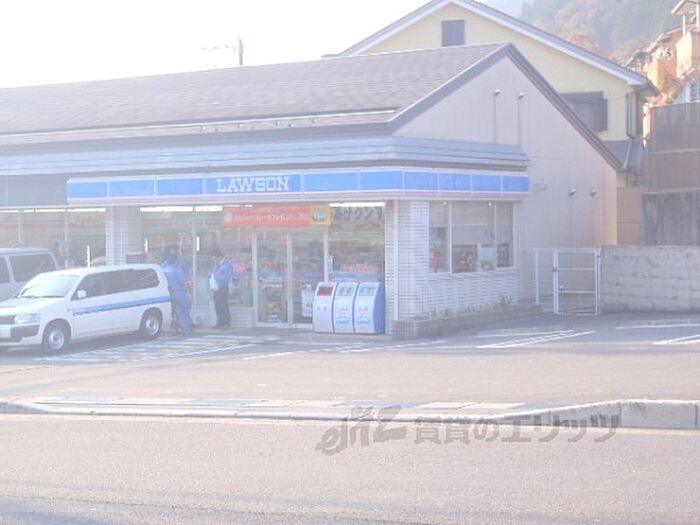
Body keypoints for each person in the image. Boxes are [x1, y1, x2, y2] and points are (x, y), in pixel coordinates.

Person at [162, 247, 194, 335]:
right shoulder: (177, 270)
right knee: (185, 309)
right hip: (179, 292)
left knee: (177, 310)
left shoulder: (164, 268)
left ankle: (178, 325)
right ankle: (186, 326)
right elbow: (183, 280)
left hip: (169, 293)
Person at [211, 248, 233, 329]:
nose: (214, 261)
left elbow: (226, 278)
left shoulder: (227, 265)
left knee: (223, 305)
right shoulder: (217, 265)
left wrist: (216, 277)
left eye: (215, 259)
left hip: (223, 287)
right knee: (217, 305)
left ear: (219, 257)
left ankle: (226, 323)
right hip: (216, 287)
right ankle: (219, 322)